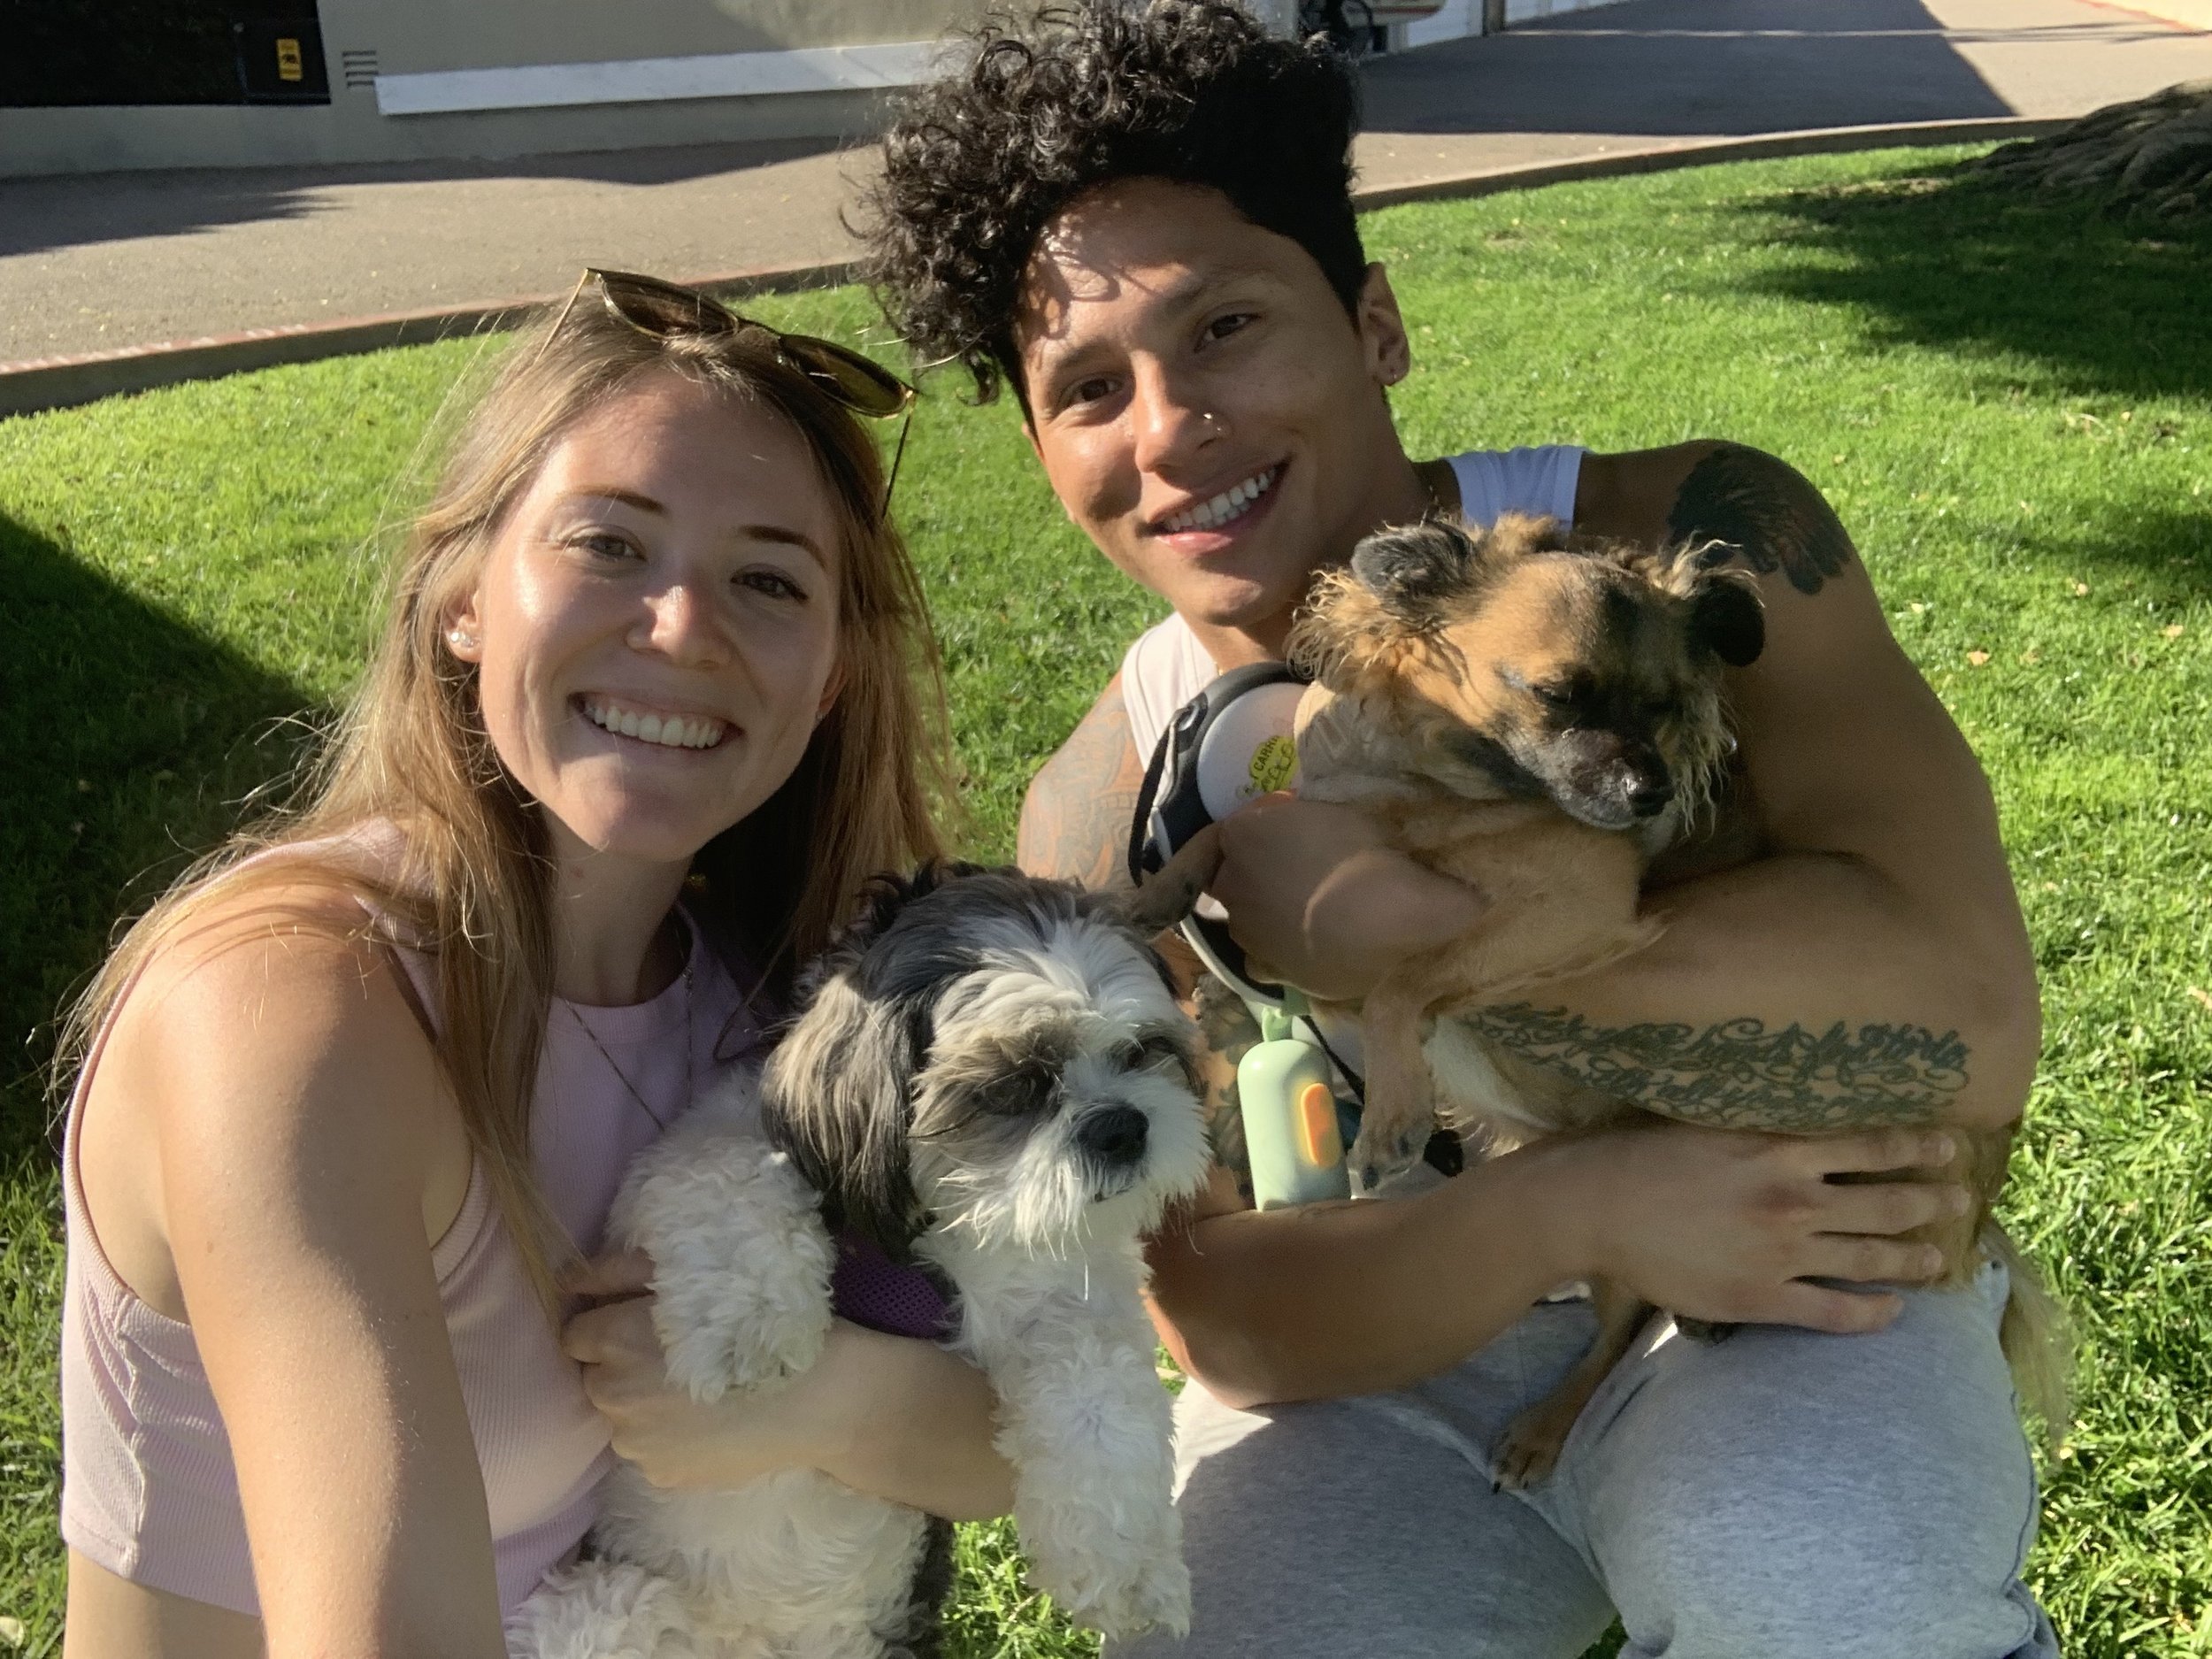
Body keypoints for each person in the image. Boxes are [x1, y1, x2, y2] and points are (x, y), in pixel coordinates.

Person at [859, 6, 2055, 1657]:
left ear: (1376, 321)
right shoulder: (1101, 810)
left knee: (1807, 1577)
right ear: (1042, 447)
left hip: (1794, 1257)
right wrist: (1578, 1207)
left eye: (1226, 326)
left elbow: (1969, 1019)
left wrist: (1400, 938)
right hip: (1396, 1346)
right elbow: (1228, 1325)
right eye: (1087, 385)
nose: (1167, 426)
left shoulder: (1691, 541)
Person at [57, 270, 1011, 1658]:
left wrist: (821, 1402)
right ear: (461, 595)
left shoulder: (771, 1006)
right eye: (609, 547)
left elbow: (1014, 1437)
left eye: (765, 579)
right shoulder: (290, 1009)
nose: (682, 628)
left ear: (830, 678)